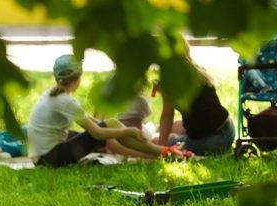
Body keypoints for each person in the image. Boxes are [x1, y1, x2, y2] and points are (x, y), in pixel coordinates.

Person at [27, 54, 186, 167]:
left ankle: (161, 152)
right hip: (49, 159)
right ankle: (163, 152)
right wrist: (128, 130)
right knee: (107, 128)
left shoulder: (53, 94)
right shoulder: (66, 101)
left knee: (109, 125)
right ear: (78, 78)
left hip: (41, 156)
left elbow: (91, 121)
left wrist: (111, 126)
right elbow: (97, 133)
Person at [155, 39, 235, 156]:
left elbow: (167, 117)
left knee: (159, 139)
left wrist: (159, 149)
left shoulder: (170, 81)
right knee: (166, 128)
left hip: (211, 142)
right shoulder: (196, 71)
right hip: (228, 131)